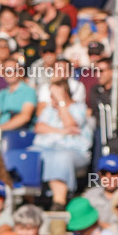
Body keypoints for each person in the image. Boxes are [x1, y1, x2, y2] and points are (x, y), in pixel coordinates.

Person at [33, 79, 94, 209]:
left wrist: (61, 102)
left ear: (65, 94)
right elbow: (39, 127)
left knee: (60, 158)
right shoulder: (49, 110)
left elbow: (70, 124)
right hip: (46, 148)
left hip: (73, 151)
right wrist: (62, 131)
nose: (50, 98)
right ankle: (29, 200)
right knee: (30, 156)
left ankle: (58, 202)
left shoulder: (79, 107)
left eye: (54, 94)